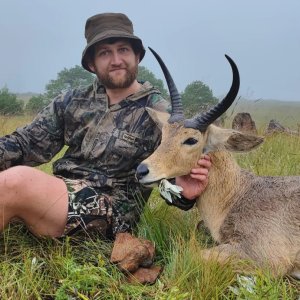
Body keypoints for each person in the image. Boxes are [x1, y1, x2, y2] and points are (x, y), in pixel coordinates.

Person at [0, 13, 211, 240]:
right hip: (59, 193)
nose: (116, 60)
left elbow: (169, 179)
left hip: (111, 214)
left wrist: (184, 196)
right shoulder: (72, 100)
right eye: (105, 53)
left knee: (17, 181)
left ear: (137, 56)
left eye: (123, 50)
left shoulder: (162, 115)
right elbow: (26, 143)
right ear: (92, 63)